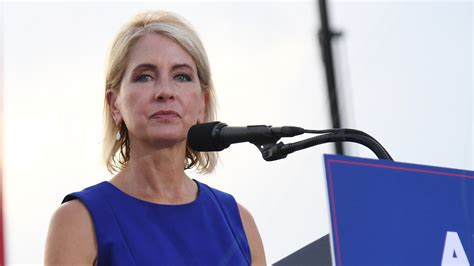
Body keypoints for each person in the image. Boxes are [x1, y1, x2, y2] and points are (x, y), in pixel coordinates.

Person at [44, 10, 266, 265]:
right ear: (114, 104)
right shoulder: (78, 220)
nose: (165, 92)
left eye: (181, 76)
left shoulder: (240, 223)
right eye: (145, 77)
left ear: (202, 103)